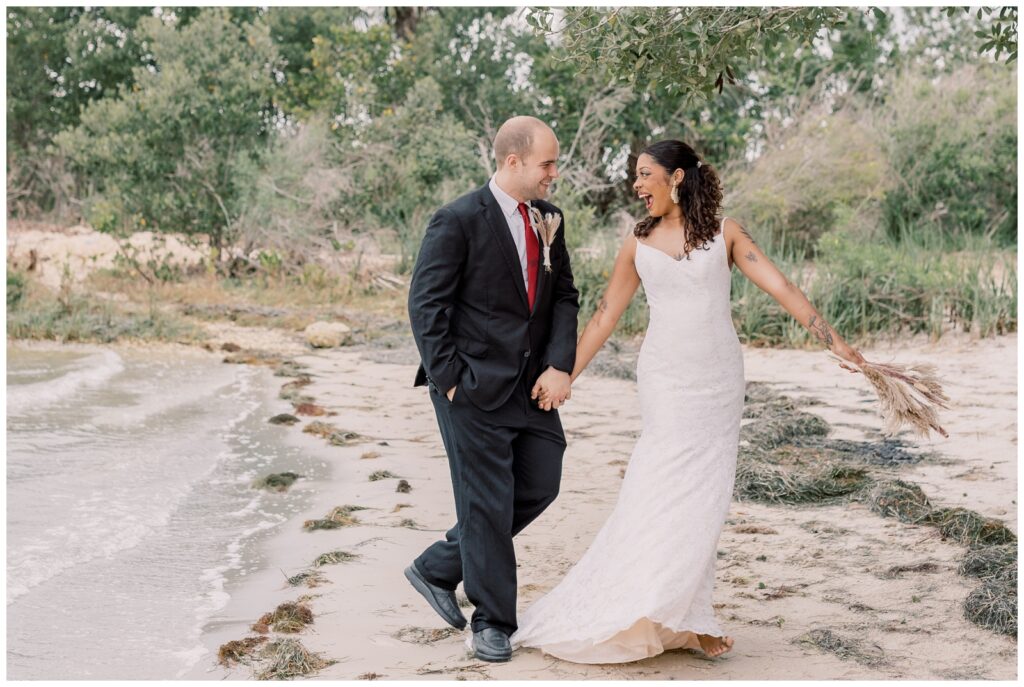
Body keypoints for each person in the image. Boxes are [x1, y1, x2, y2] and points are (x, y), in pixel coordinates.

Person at [517, 139, 865, 664]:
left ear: (676, 177)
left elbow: (781, 286)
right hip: (665, 381)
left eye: (644, 175)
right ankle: (651, 604)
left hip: (719, 382)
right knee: (655, 486)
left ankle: (689, 616)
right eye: (635, 177)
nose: (636, 186)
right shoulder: (637, 242)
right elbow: (606, 314)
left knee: (706, 498)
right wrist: (565, 372)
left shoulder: (726, 235)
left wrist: (833, 340)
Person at [404, 116, 580, 663]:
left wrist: (559, 365)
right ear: (513, 162)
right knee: (486, 500)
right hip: (472, 388)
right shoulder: (458, 219)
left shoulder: (550, 219)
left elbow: (566, 296)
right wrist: (451, 381)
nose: (554, 173)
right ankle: (493, 623)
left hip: (531, 387)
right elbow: (425, 304)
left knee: (541, 480)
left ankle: (439, 565)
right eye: (547, 163)